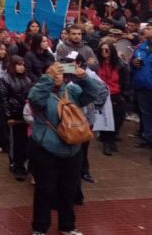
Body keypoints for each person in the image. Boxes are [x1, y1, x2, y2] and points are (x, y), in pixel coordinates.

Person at [27, 62, 101, 235]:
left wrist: (84, 77)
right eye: (54, 72)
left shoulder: (71, 90)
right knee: (45, 190)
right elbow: (35, 99)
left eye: (60, 72)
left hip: (73, 149)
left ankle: (67, 226)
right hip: (47, 150)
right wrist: (48, 78)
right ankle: (40, 227)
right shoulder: (40, 91)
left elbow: (93, 93)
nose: (58, 76)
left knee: (69, 190)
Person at [0, 55, 32, 180]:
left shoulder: (27, 80)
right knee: (15, 142)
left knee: (24, 142)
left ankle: (22, 164)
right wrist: (8, 116)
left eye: (23, 64)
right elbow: (3, 99)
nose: (21, 67)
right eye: (18, 64)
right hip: (13, 115)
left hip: (24, 115)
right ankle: (16, 165)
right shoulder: (5, 79)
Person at [96, 41, 131, 155]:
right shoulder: (97, 64)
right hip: (102, 94)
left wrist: (125, 95)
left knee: (118, 118)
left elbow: (126, 80)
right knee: (105, 119)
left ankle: (111, 137)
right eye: (102, 50)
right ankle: (107, 142)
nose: (104, 52)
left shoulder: (120, 65)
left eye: (107, 50)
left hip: (116, 94)